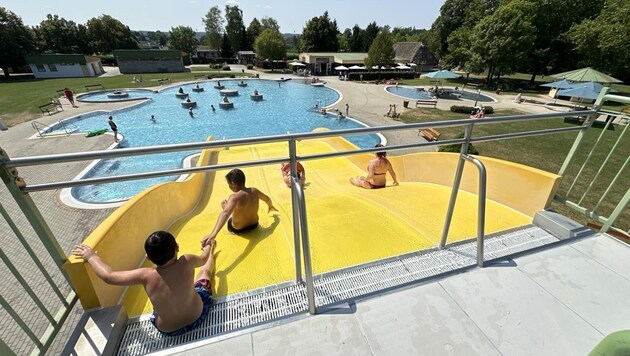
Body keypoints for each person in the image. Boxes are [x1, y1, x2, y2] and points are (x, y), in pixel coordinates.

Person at [72, 232, 217, 336]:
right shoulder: (187, 260)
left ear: (148, 257)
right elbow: (203, 259)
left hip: (169, 331)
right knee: (204, 274)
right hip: (198, 316)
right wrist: (207, 248)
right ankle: (214, 251)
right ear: (177, 247)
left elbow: (109, 276)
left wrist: (91, 256)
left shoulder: (146, 275)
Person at [201, 169, 278, 245]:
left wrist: (213, 234)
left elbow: (225, 213)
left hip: (238, 230)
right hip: (254, 225)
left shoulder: (234, 198)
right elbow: (267, 199)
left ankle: (227, 206)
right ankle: (229, 207)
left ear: (233, 183)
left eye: (229, 184)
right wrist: (270, 206)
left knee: (229, 210)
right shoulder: (254, 191)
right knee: (235, 208)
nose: (229, 186)